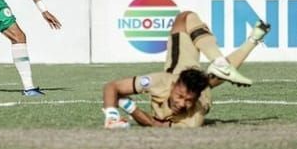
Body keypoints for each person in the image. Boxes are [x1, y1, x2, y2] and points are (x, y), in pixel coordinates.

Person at [101, 11, 270, 128]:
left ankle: (241, 49)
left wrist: (125, 108)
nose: (182, 103)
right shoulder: (165, 84)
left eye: (188, 100)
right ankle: (227, 57)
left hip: (197, 86)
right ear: (174, 85)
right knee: (186, 18)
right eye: (181, 96)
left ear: (195, 98)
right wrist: (115, 113)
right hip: (190, 75)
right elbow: (112, 87)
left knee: (184, 18)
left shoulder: (190, 117)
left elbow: (155, 125)